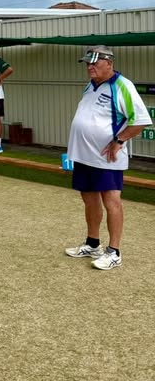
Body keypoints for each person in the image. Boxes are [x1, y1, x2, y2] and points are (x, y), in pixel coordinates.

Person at [64, 45, 152, 270]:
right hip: (84, 156)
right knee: (89, 199)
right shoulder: (91, 85)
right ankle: (93, 243)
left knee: (111, 200)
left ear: (109, 64)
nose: (89, 67)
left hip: (106, 158)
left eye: (94, 63)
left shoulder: (122, 86)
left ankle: (114, 252)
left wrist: (119, 140)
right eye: (88, 64)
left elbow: (140, 121)